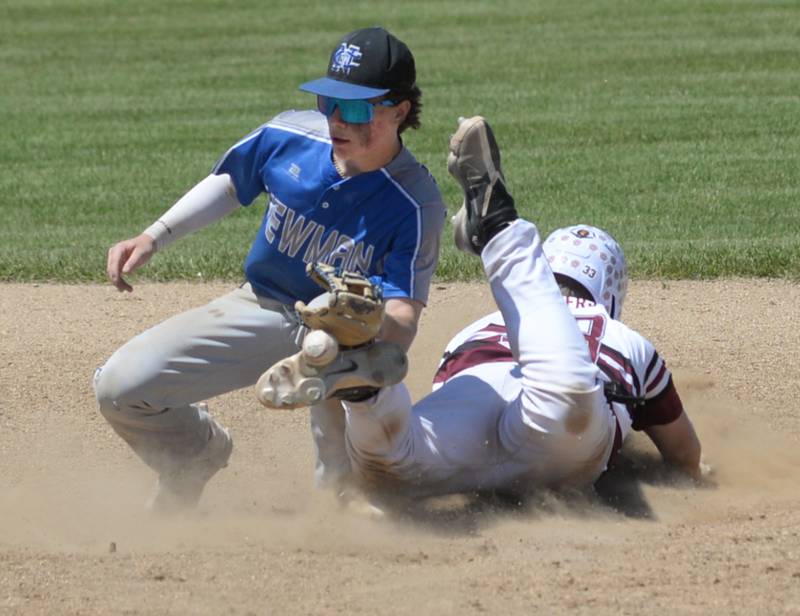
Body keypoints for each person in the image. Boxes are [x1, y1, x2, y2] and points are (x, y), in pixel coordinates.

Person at [258, 115, 702, 503]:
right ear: (608, 288)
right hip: (559, 435)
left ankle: (367, 395)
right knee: (568, 398)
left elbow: (446, 388)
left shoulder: (476, 329)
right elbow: (684, 455)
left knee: (398, 457)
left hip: (471, 400)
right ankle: (497, 228)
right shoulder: (622, 338)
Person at [93, 27, 446, 511]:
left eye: (358, 107)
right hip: (261, 306)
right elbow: (231, 183)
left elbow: (403, 321)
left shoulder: (414, 203)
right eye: (329, 102)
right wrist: (153, 235)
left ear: (400, 111)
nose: (337, 119)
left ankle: (342, 495)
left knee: (350, 494)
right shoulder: (290, 135)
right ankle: (195, 452)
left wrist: (363, 324)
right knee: (119, 389)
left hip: (337, 350)